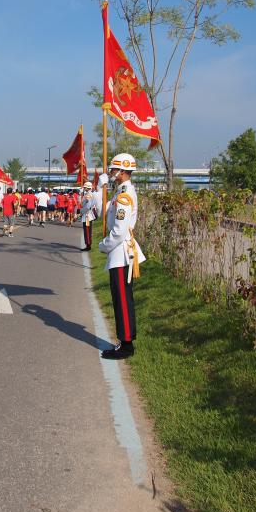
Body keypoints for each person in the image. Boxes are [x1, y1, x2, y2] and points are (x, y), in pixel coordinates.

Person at [98, 153, 146, 360]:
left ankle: (126, 345)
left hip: (121, 252)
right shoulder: (120, 191)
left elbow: (118, 231)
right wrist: (100, 189)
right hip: (119, 251)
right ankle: (124, 341)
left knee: (123, 300)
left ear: (122, 171)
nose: (110, 172)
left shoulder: (125, 194)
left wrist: (104, 246)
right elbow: (102, 212)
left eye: (113, 169)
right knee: (120, 298)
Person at [80, 181, 98, 250]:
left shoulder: (88, 195)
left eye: (85, 187)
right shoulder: (90, 194)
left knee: (87, 231)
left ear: (88, 188)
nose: (84, 188)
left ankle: (88, 245)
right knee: (87, 230)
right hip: (87, 214)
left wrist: (81, 211)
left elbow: (87, 206)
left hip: (87, 215)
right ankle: (88, 244)